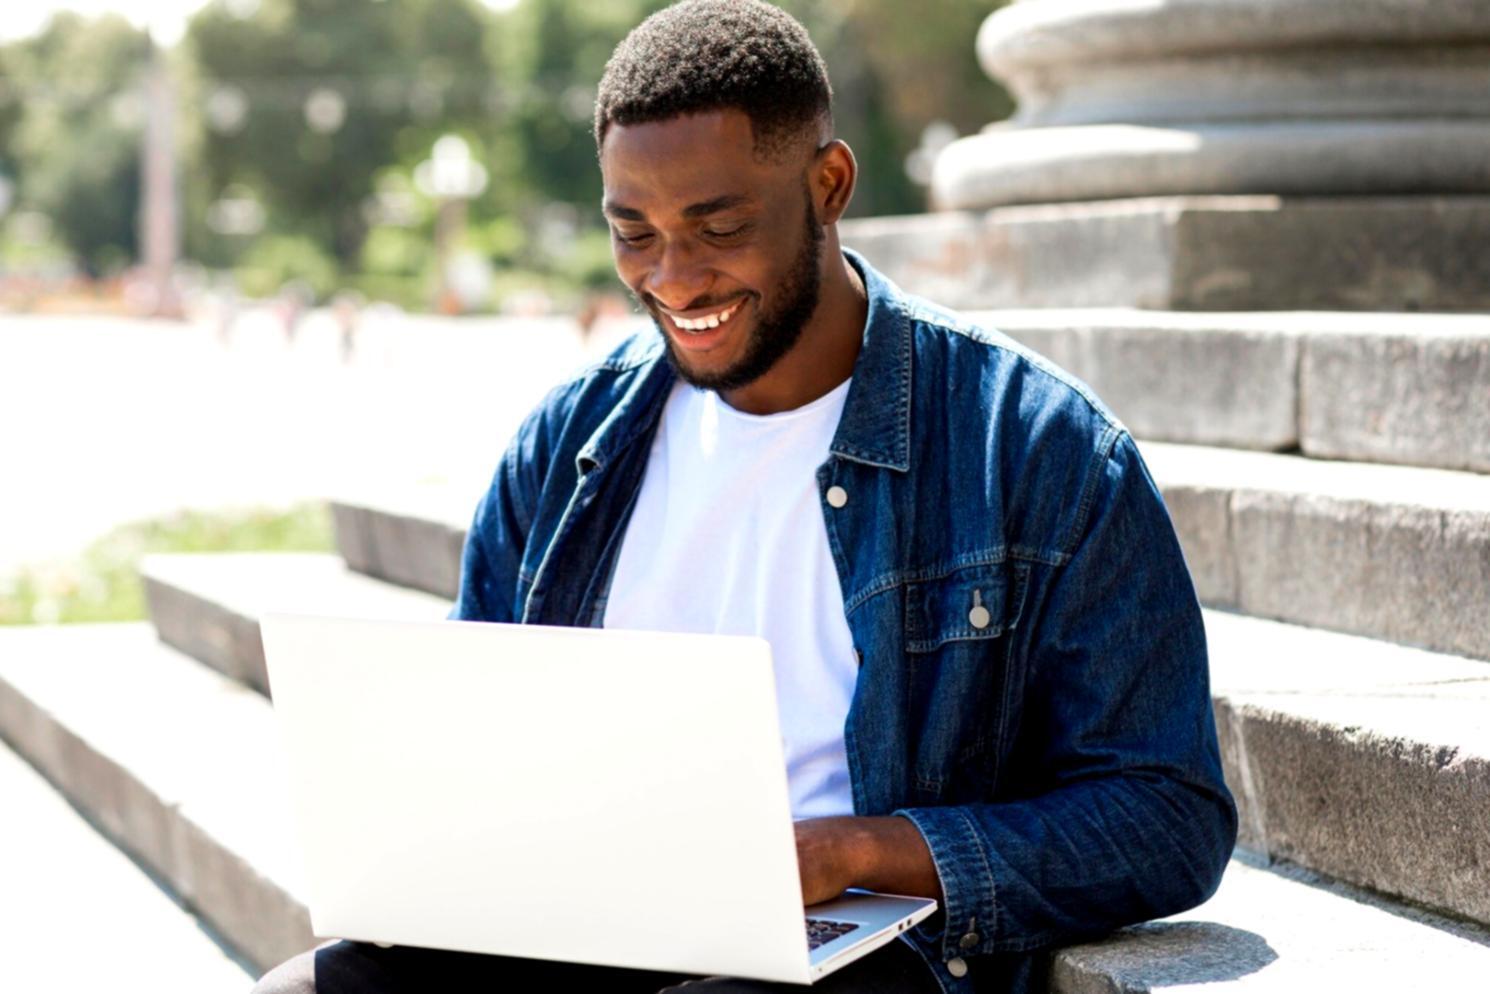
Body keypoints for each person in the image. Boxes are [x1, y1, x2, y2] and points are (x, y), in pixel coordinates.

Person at [252, 2, 1236, 992]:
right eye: (632, 234)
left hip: (862, 958)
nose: (673, 279)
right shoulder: (564, 449)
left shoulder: (1030, 447)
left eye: (718, 227)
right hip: (581, 926)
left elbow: (1165, 813)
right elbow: (480, 768)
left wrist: (855, 851)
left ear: (828, 184)